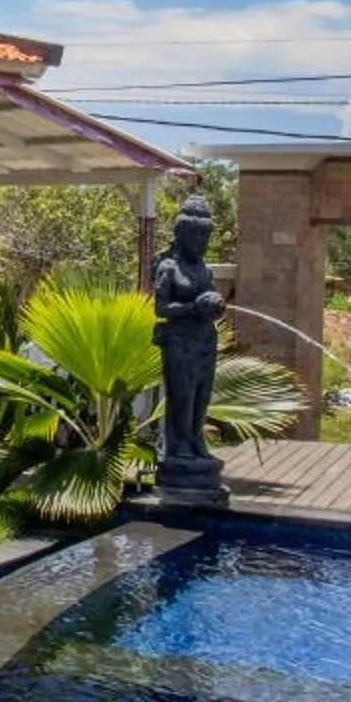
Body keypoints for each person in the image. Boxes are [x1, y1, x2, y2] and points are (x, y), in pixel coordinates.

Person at [152, 193, 230, 497]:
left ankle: (197, 442)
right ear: (182, 236)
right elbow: (160, 307)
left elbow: (210, 300)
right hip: (179, 341)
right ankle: (179, 446)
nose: (201, 244)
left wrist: (215, 305)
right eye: (196, 237)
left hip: (204, 341)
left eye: (205, 238)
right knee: (182, 397)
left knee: (201, 397)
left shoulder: (205, 270)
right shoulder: (169, 268)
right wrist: (191, 308)